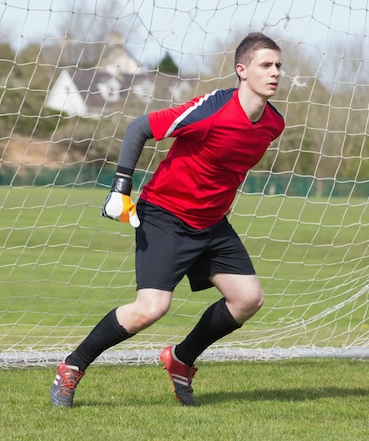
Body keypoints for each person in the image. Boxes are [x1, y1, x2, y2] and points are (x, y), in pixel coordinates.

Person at [50, 32, 284, 407]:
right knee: (151, 309)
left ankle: (180, 360)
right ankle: (72, 367)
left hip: (210, 224)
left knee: (248, 299)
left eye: (278, 66)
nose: (275, 73)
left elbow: (230, 167)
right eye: (266, 65)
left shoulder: (273, 124)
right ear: (241, 70)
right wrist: (121, 188)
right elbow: (139, 127)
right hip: (165, 216)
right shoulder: (211, 110)